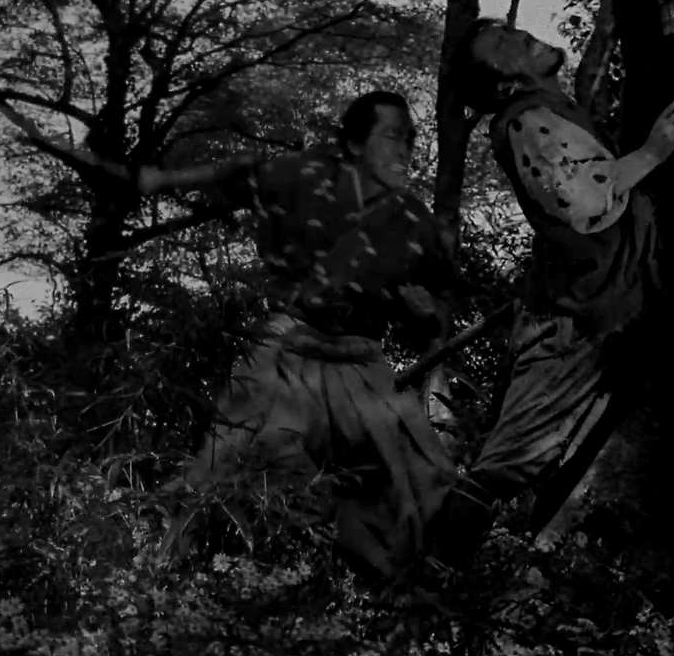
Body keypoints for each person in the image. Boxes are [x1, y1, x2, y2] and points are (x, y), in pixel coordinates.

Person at [142, 91, 461, 581]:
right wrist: (161, 180)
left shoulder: (414, 221)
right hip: (286, 350)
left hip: (361, 362)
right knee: (235, 464)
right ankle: (176, 580)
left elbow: (435, 316)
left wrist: (425, 315)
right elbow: (240, 174)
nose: (404, 150)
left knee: (423, 481)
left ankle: (380, 592)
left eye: (411, 140)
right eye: (393, 137)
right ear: (354, 144)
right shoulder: (305, 176)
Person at [431, 18, 674, 566]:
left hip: (599, 304)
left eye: (507, 28)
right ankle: (429, 579)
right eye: (502, 43)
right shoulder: (526, 120)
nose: (517, 34)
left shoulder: (550, 112)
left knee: (563, 444)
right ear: (506, 83)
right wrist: (653, 151)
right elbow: (582, 202)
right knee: (506, 461)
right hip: (574, 316)